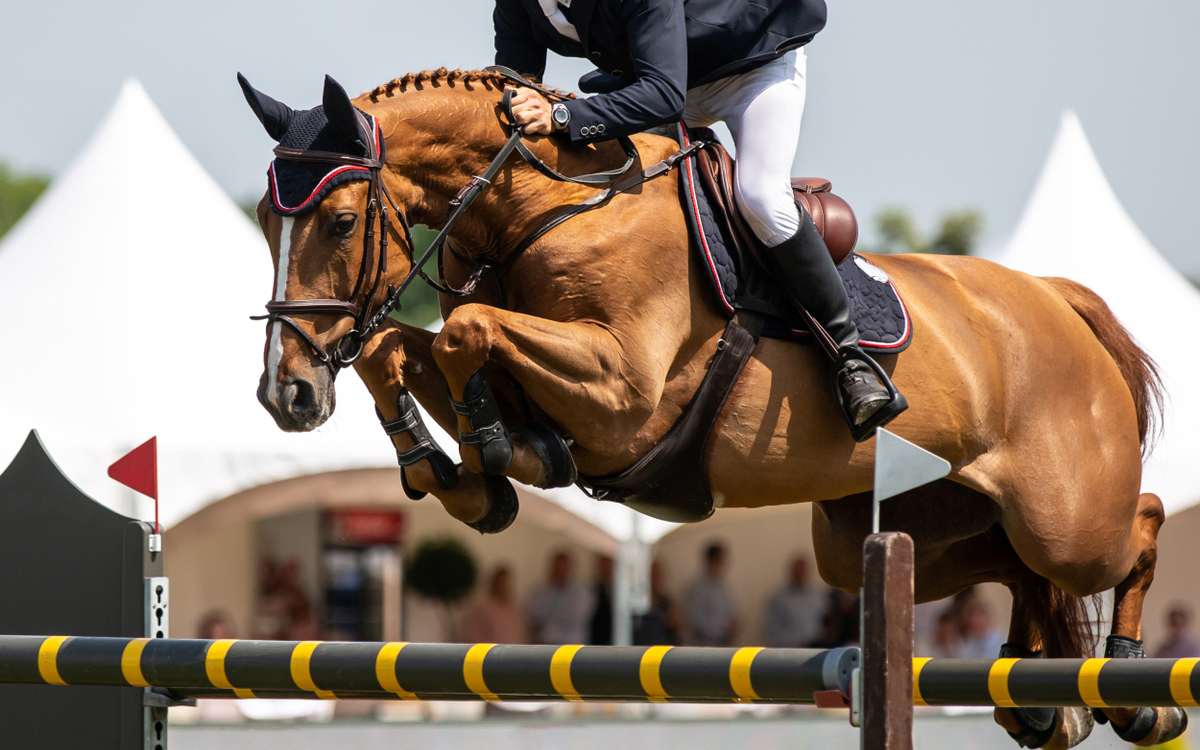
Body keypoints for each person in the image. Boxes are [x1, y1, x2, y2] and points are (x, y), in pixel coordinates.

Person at [493, 0, 905, 437]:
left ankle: (848, 356)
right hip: (657, 77)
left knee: (761, 198)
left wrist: (562, 114)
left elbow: (664, 98)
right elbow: (514, 88)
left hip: (750, 66)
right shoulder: (519, 4)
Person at [527, 551, 596, 644]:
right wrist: (551, 589)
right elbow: (534, 615)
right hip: (546, 644)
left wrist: (550, 622)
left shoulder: (581, 592)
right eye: (557, 568)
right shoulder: (541, 589)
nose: (560, 572)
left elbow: (574, 617)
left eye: (562, 568)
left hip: (571, 646)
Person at [763, 556, 824, 648]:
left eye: (803, 572)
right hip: (790, 653)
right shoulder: (779, 599)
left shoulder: (818, 597)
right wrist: (793, 642)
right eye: (797, 572)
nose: (800, 575)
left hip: (817, 651)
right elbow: (771, 630)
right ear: (791, 572)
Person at [685, 543, 738, 646]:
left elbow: (732, 612)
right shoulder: (698, 588)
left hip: (724, 643)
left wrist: (734, 624)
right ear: (711, 560)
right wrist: (723, 627)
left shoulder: (724, 586)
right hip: (705, 644)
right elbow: (696, 619)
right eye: (720, 559)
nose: (723, 563)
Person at [464, 566, 528, 644]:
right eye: (501, 582)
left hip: (513, 650)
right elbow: (474, 635)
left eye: (506, 582)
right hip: (492, 652)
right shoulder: (484, 607)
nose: (504, 586)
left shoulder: (514, 607)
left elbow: (519, 632)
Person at [634, 560, 680, 645]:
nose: (655, 580)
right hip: (639, 649)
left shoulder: (665, 601)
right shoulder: (635, 602)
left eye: (657, 576)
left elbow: (676, 625)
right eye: (652, 576)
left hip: (661, 649)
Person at [589, 555, 614, 645]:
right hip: (596, 640)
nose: (606, 572)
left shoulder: (621, 593)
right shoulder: (592, 590)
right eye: (604, 569)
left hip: (615, 639)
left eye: (608, 570)